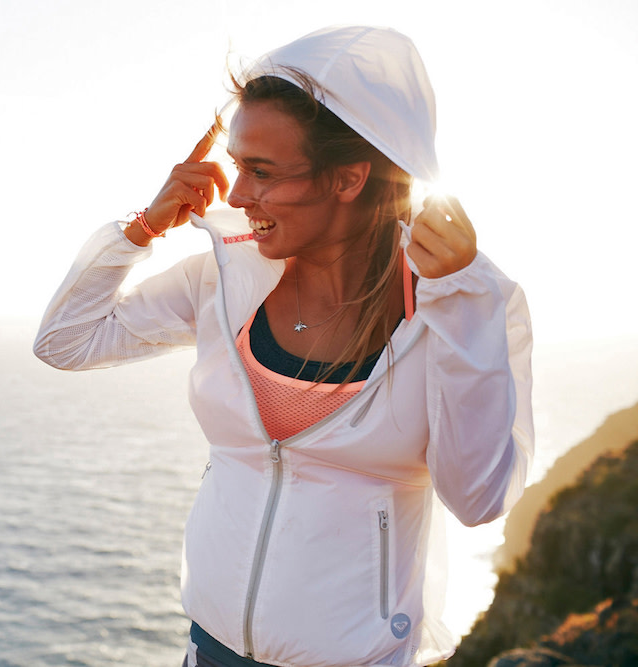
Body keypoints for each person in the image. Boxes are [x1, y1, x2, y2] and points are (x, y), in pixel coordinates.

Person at [34, 25, 533, 667]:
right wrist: (143, 226)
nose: (236, 195)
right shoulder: (223, 275)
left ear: (349, 179)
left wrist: (461, 304)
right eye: (239, 165)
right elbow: (65, 342)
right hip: (207, 653)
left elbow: (480, 498)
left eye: (260, 172)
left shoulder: (467, 301)